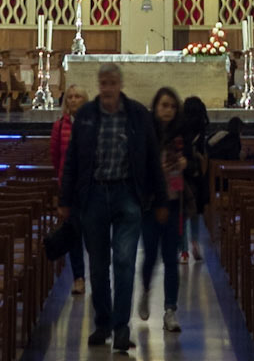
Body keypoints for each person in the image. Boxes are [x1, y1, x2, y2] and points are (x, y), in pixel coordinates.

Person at [57, 63, 168, 353]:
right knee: (97, 265)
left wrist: (159, 199)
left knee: (124, 262)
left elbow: (152, 159)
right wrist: (65, 200)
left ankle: (121, 328)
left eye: (111, 83)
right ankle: (103, 322)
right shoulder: (85, 116)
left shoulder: (138, 115)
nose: (107, 89)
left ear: (119, 85)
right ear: (99, 85)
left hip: (126, 195)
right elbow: (72, 162)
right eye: (103, 83)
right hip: (93, 195)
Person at [138, 87, 185, 333]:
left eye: (172, 106)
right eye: (164, 105)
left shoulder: (181, 134)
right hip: (152, 205)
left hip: (175, 203)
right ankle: (145, 290)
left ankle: (170, 310)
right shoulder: (147, 135)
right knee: (150, 256)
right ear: (155, 107)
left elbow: (197, 164)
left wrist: (189, 161)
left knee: (171, 259)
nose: (168, 110)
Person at [50, 87, 88, 294]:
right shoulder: (59, 126)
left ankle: (100, 276)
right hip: (70, 188)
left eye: (78, 96)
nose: (73, 100)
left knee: (93, 235)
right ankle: (79, 277)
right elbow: (55, 157)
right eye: (70, 96)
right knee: (74, 234)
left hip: (91, 187)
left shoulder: (93, 123)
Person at [178, 95, 211, 260]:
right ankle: (195, 242)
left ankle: (183, 250)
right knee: (196, 211)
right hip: (197, 175)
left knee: (182, 212)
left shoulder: (181, 127)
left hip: (183, 174)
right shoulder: (201, 128)